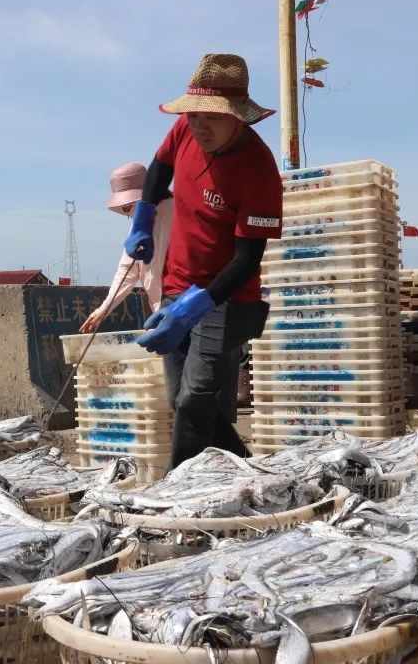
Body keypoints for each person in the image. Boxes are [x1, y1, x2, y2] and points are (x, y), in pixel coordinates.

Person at [124, 53, 283, 467]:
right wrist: (143, 216)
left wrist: (194, 308)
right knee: (181, 398)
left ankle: (180, 490)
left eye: (210, 118)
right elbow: (160, 166)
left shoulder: (259, 171)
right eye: (194, 116)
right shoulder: (186, 128)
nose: (199, 125)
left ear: (237, 117)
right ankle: (245, 467)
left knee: (197, 396)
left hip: (226, 297)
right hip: (177, 282)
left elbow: (247, 261)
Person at [80, 162, 173, 333]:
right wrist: (103, 309)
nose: (127, 211)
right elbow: (127, 271)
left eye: (128, 206)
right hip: (163, 313)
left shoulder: (179, 211)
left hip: (188, 307)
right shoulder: (137, 228)